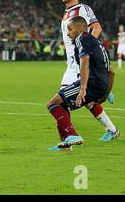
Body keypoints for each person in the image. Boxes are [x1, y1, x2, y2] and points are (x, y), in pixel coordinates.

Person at [46, 17, 119, 151]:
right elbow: (111, 71)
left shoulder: (82, 39)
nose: (67, 34)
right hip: (100, 84)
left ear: (80, 29)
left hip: (91, 84)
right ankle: (66, 144)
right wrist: (107, 92)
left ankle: (73, 135)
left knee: (52, 103)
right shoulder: (96, 43)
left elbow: (85, 62)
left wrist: (83, 89)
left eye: (70, 29)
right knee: (61, 101)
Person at [59, 0, 117, 141]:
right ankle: (112, 130)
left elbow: (97, 27)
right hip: (72, 64)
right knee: (84, 100)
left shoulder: (82, 9)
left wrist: (87, 48)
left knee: (60, 100)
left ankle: (69, 138)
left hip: (79, 65)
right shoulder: (67, 14)